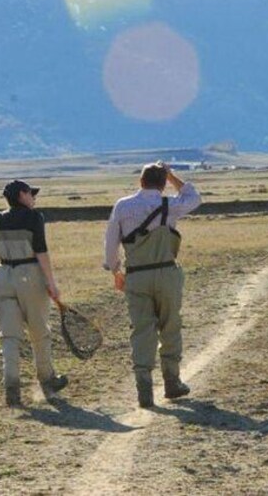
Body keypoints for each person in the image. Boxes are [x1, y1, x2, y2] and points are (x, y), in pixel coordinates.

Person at [103, 162, 201, 408]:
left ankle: (144, 389)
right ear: (163, 183)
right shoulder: (170, 206)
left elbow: (110, 242)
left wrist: (115, 269)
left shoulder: (123, 206)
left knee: (141, 330)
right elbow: (194, 197)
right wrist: (173, 176)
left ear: (140, 181)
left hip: (136, 275)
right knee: (170, 326)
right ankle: (172, 382)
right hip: (167, 272)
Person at [0, 180, 68, 407]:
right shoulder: (34, 217)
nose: (34, 198)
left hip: (3, 278)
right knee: (39, 330)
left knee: (9, 336)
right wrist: (51, 283)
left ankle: (11, 388)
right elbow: (41, 252)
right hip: (29, 276)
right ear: (22, 195)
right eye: (31, 193)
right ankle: (47, 380)